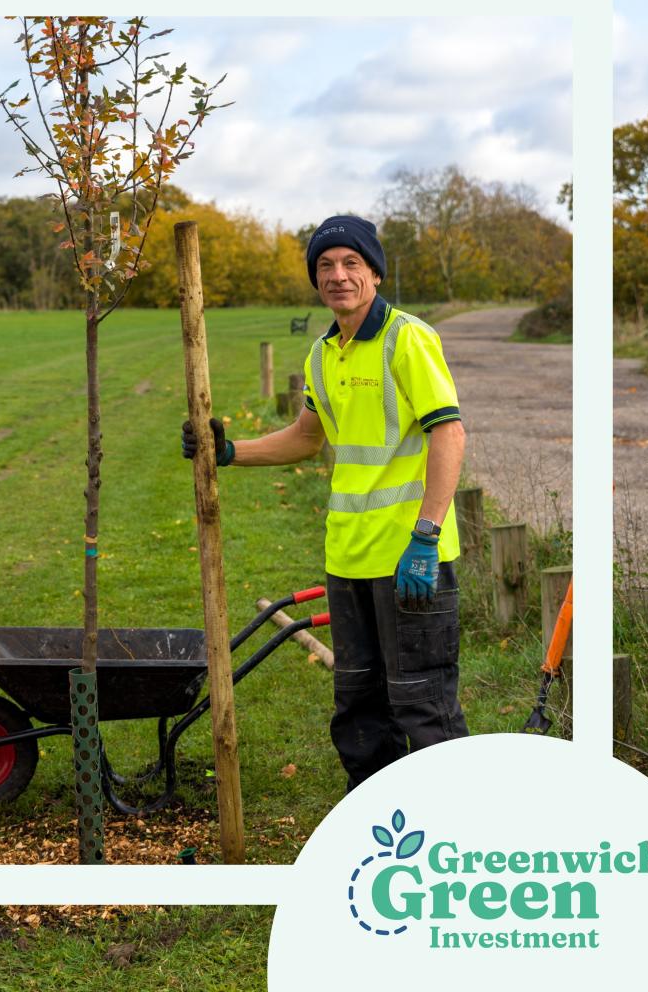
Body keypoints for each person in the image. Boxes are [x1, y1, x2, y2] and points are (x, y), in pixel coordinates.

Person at [182, 214, 469, 790]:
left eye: (351, 263)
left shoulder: (406, 338)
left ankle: (453, 819)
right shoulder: (321, 354)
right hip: (348, 558)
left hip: (410, 558)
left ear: (375, 273)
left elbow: (449, 432)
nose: (338, 275)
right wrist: (228, 451)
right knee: (358, 705)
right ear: (316, 279)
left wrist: (426, 536)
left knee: (422, 703)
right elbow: (306, 437)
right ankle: (375, 815)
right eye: (325, 266)